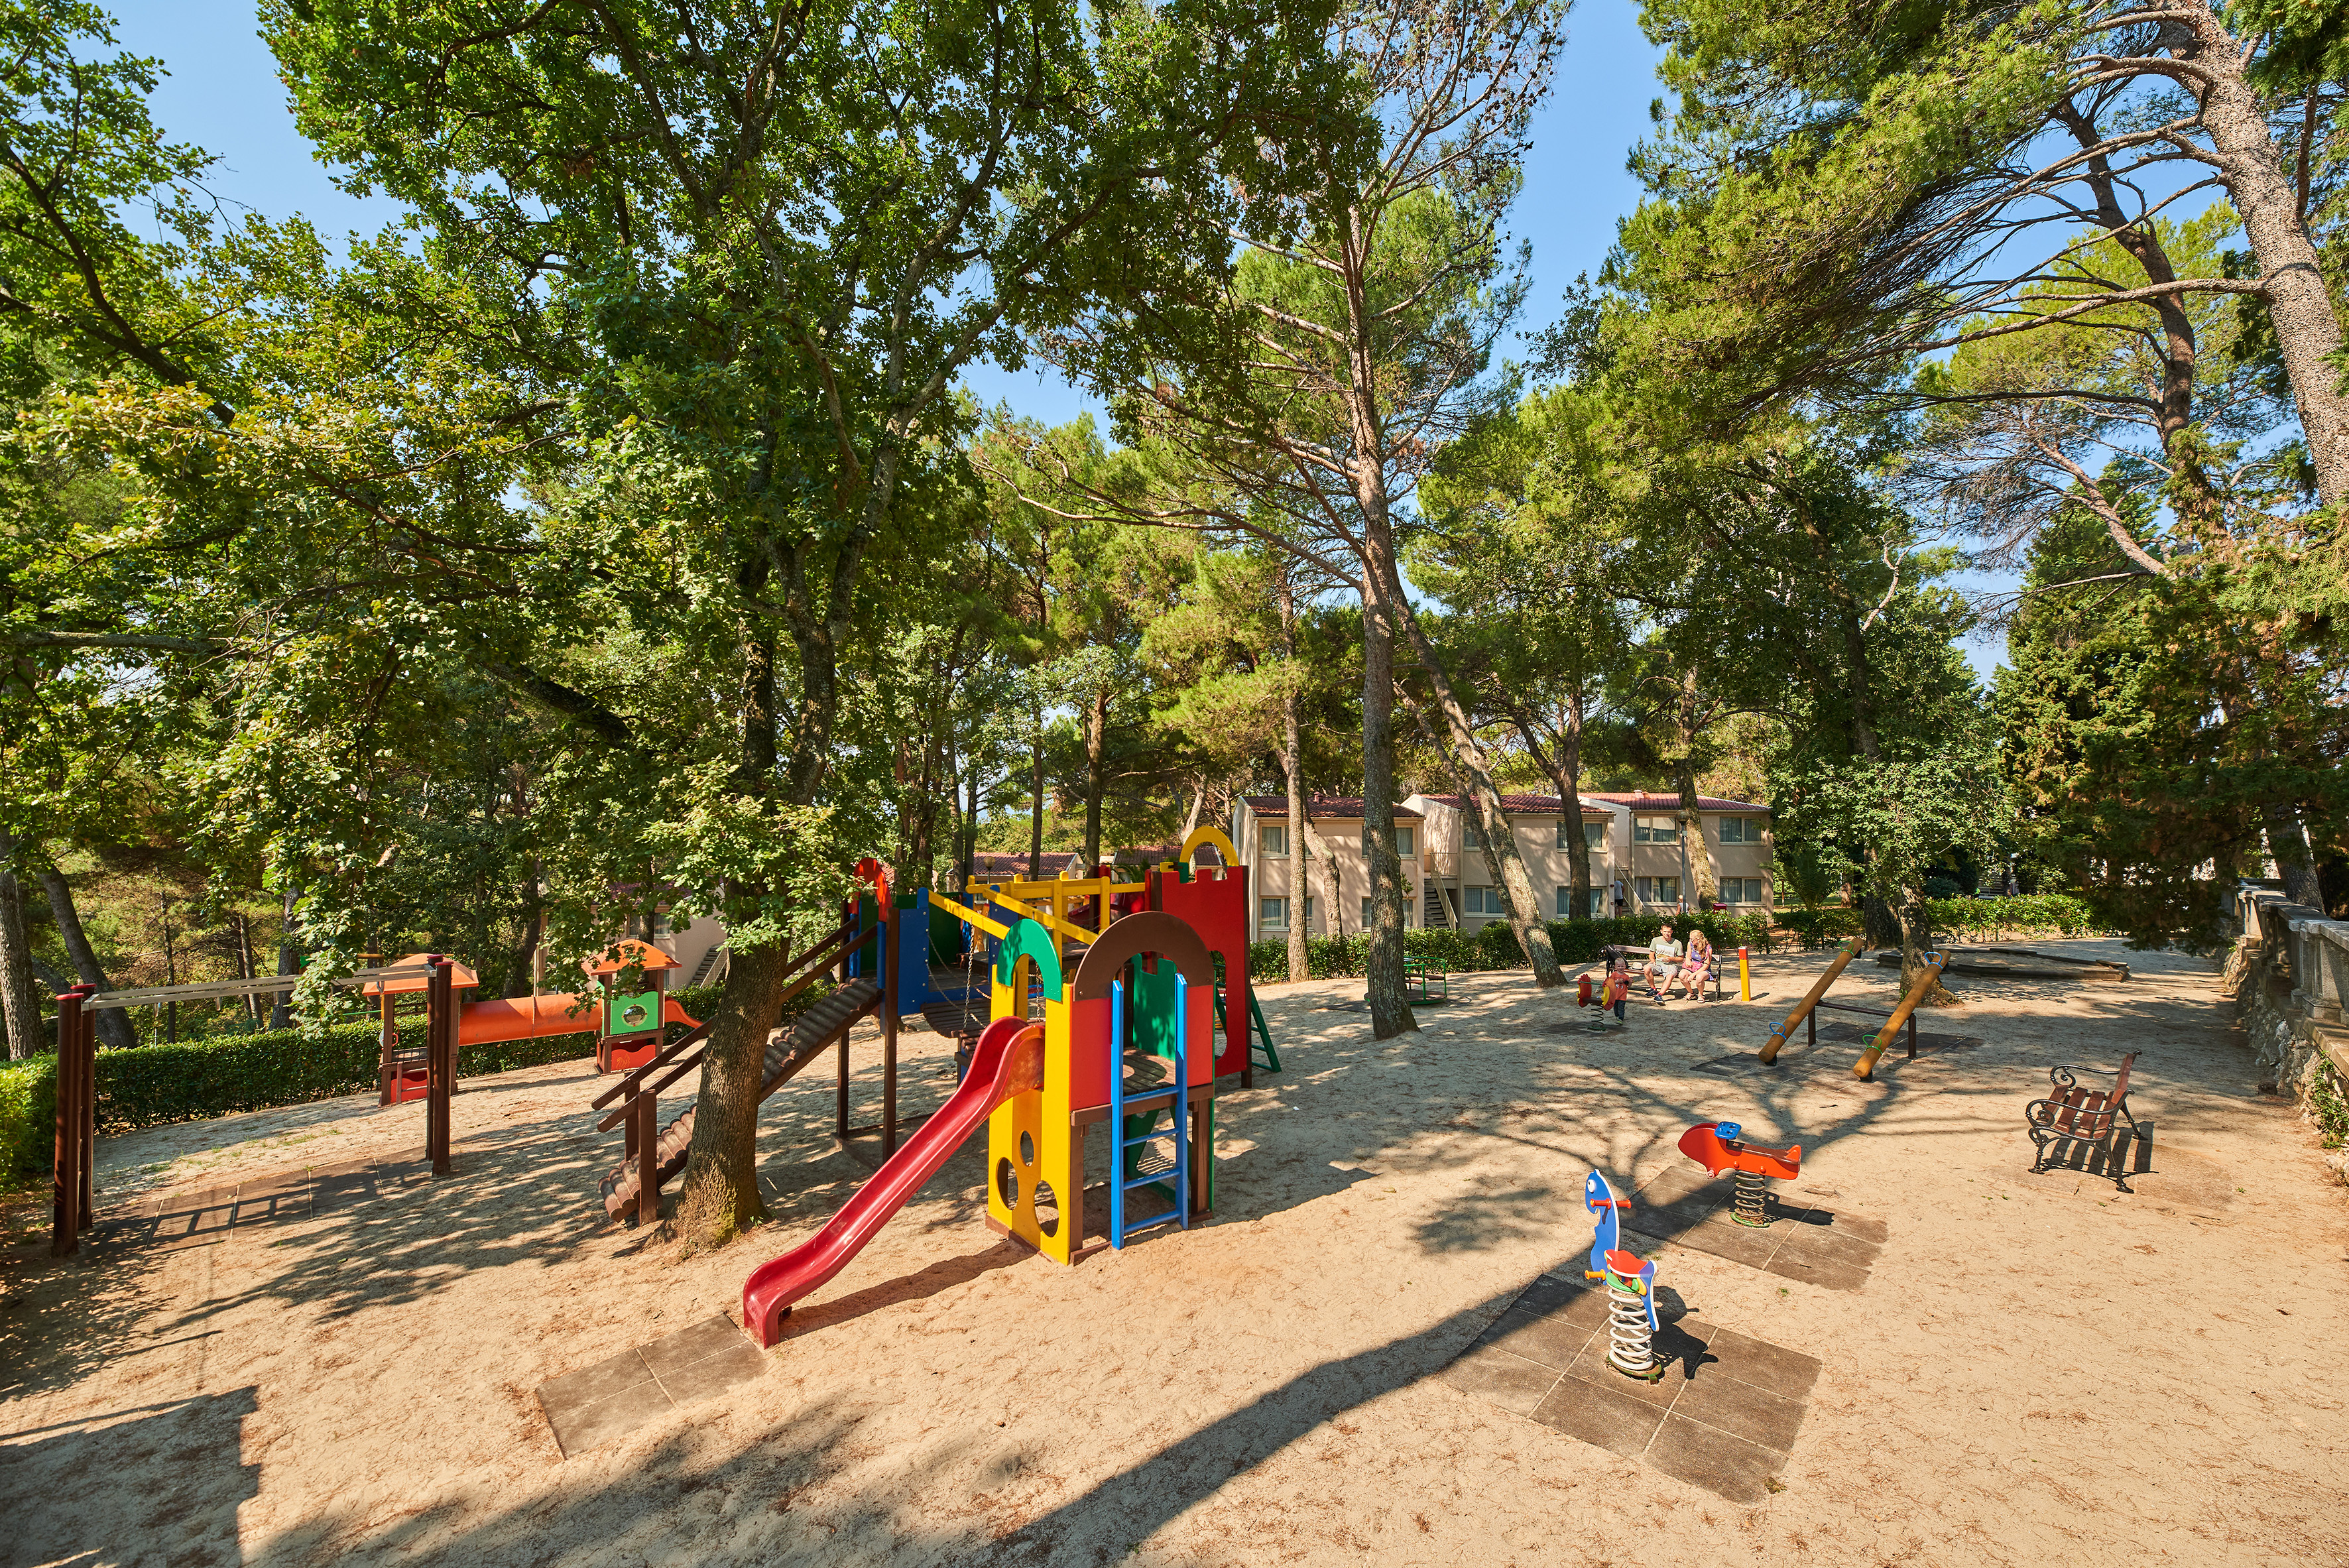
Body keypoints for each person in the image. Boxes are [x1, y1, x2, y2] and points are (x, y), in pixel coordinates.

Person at [1669, 928, 1715, 1000]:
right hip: (1692, 967)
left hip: (1703, 970)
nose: (1690, 940)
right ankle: (1691, 992)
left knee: (1699, 977)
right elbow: (1688, 956)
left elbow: (1706, 966)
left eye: (1692, 939)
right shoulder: (1690, 944)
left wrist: (1694, 975)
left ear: (1698, 940)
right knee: (1682, 975)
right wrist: (1688, 960)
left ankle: (1701, 995)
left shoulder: (1708, 948)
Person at [1644, 924, 1681, 1000]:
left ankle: (1660, 994)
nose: (1667, 934)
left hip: (1670, 965)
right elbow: (1651, 953)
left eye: (1669, 932)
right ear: (1661, 931)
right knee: (1646, 968)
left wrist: (1671, 959)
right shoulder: (1655, 940)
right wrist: (1653, 960)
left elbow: (1681, 959)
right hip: (1658, 963)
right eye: (1665, 932)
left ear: (1672, 932)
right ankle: (1653, 989)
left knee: (1670, 976)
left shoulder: (1677, 943)